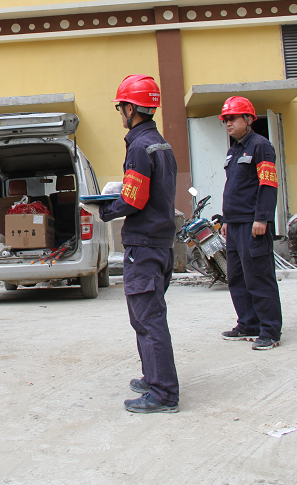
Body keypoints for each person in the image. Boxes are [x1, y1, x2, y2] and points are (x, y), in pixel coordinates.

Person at [98, 75, 180, 414]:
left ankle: (163, 394)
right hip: (160, 243)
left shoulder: (138, 146)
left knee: (148, 320)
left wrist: (105, 209)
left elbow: (133, 199)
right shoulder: (161, 143)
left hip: (144, 246)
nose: (120, 113)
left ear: (131, 108)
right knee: (148, 317)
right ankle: (153, 377)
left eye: (121, 107)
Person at [218, 96, 283, 350]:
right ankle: (248, 323)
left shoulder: (261, 146)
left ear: (248, 119)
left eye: (232, 118)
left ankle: (270, 330)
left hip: (252, 224)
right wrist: (226, 219)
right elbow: (234, 187)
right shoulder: (233, 150)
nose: (228, 123)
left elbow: (267, 185)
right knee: (237, 277)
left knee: (259, 277)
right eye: (225, 120)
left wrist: (262, 217)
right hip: (234, 225)